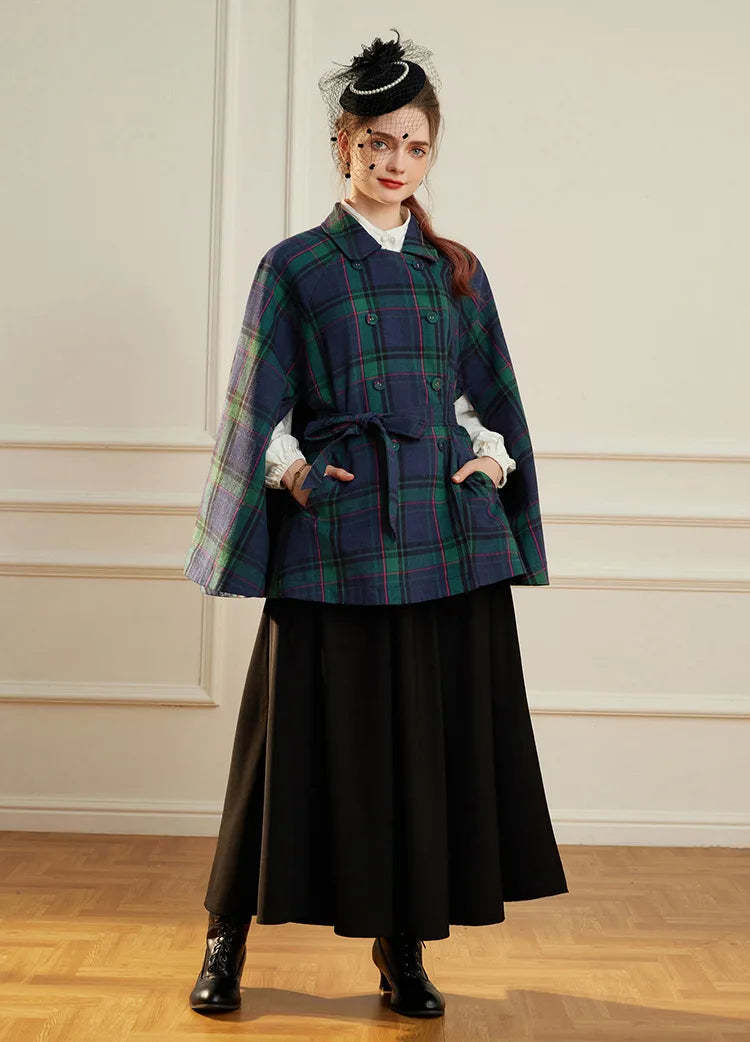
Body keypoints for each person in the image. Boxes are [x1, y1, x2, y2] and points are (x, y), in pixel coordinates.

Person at [185, 29, 568, 1020]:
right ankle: (226, 936)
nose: (395, 162)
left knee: (422, 751)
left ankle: (403, 949)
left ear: (430, 152)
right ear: (342, 145)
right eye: (377, 143)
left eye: (414, 146)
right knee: (282, 748)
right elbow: (256, 405)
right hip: (339, 529)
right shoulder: (294, 266)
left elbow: (484, 398)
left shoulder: (454, 269)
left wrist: (490, 461)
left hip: (445, 533)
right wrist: (295, 472)